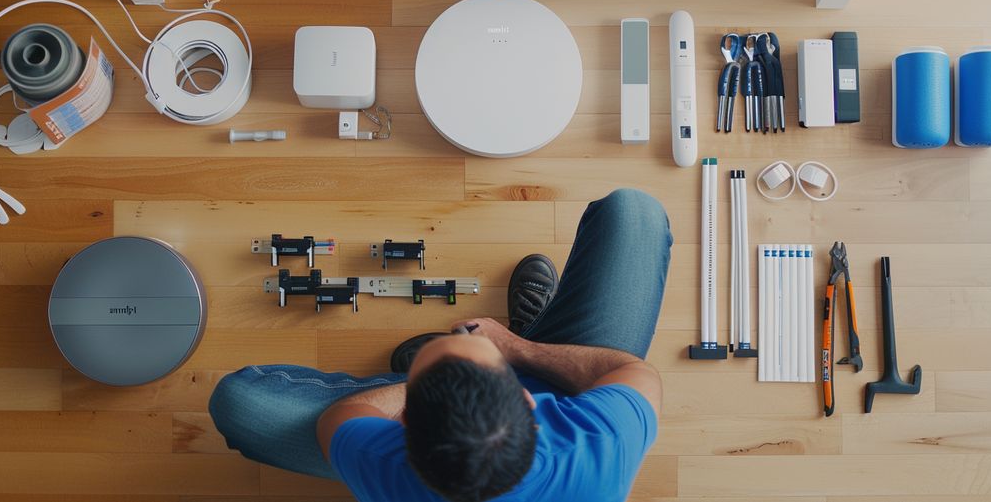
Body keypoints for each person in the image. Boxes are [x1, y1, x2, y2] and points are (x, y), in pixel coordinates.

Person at [209, 188, 672, 502]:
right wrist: (515, 348)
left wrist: (446, 380)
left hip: (448, 408)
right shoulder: (604, 439)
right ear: (529, 404)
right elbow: (639, 373)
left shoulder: (388, 464)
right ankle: (528, 335)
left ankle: (474, 355)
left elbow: (341, 419)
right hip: (568, 384)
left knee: (238, 402)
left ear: (404, 424)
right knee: (635, 212)